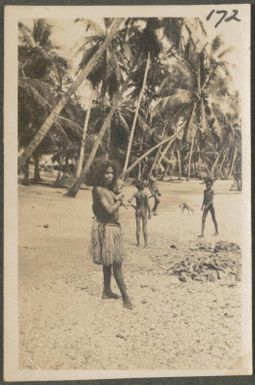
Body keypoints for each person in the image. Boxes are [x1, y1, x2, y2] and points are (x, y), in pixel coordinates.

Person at [88, 160, 133, 310]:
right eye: (106, 172)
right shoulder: (98, 189)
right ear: (100, 173)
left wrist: (118, 197)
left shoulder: (108, 189)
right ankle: (126, 298)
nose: (109, 175)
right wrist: (120, 200)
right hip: (107, 229)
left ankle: (106, 291)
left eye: (112, 172)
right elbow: (109, 210)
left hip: (112, 228)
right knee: (117, 264)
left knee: (108, 262)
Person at [128, 180, 151, 247]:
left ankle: (138, 243)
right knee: (145, 227)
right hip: (144, 210)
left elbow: (129, 200)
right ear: (143, 187)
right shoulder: (146, 194)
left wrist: (133, 206)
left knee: (138, 227)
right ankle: (146, 244)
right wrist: (150, 213)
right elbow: (148, 204)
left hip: (137, 210)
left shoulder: (135, 194)